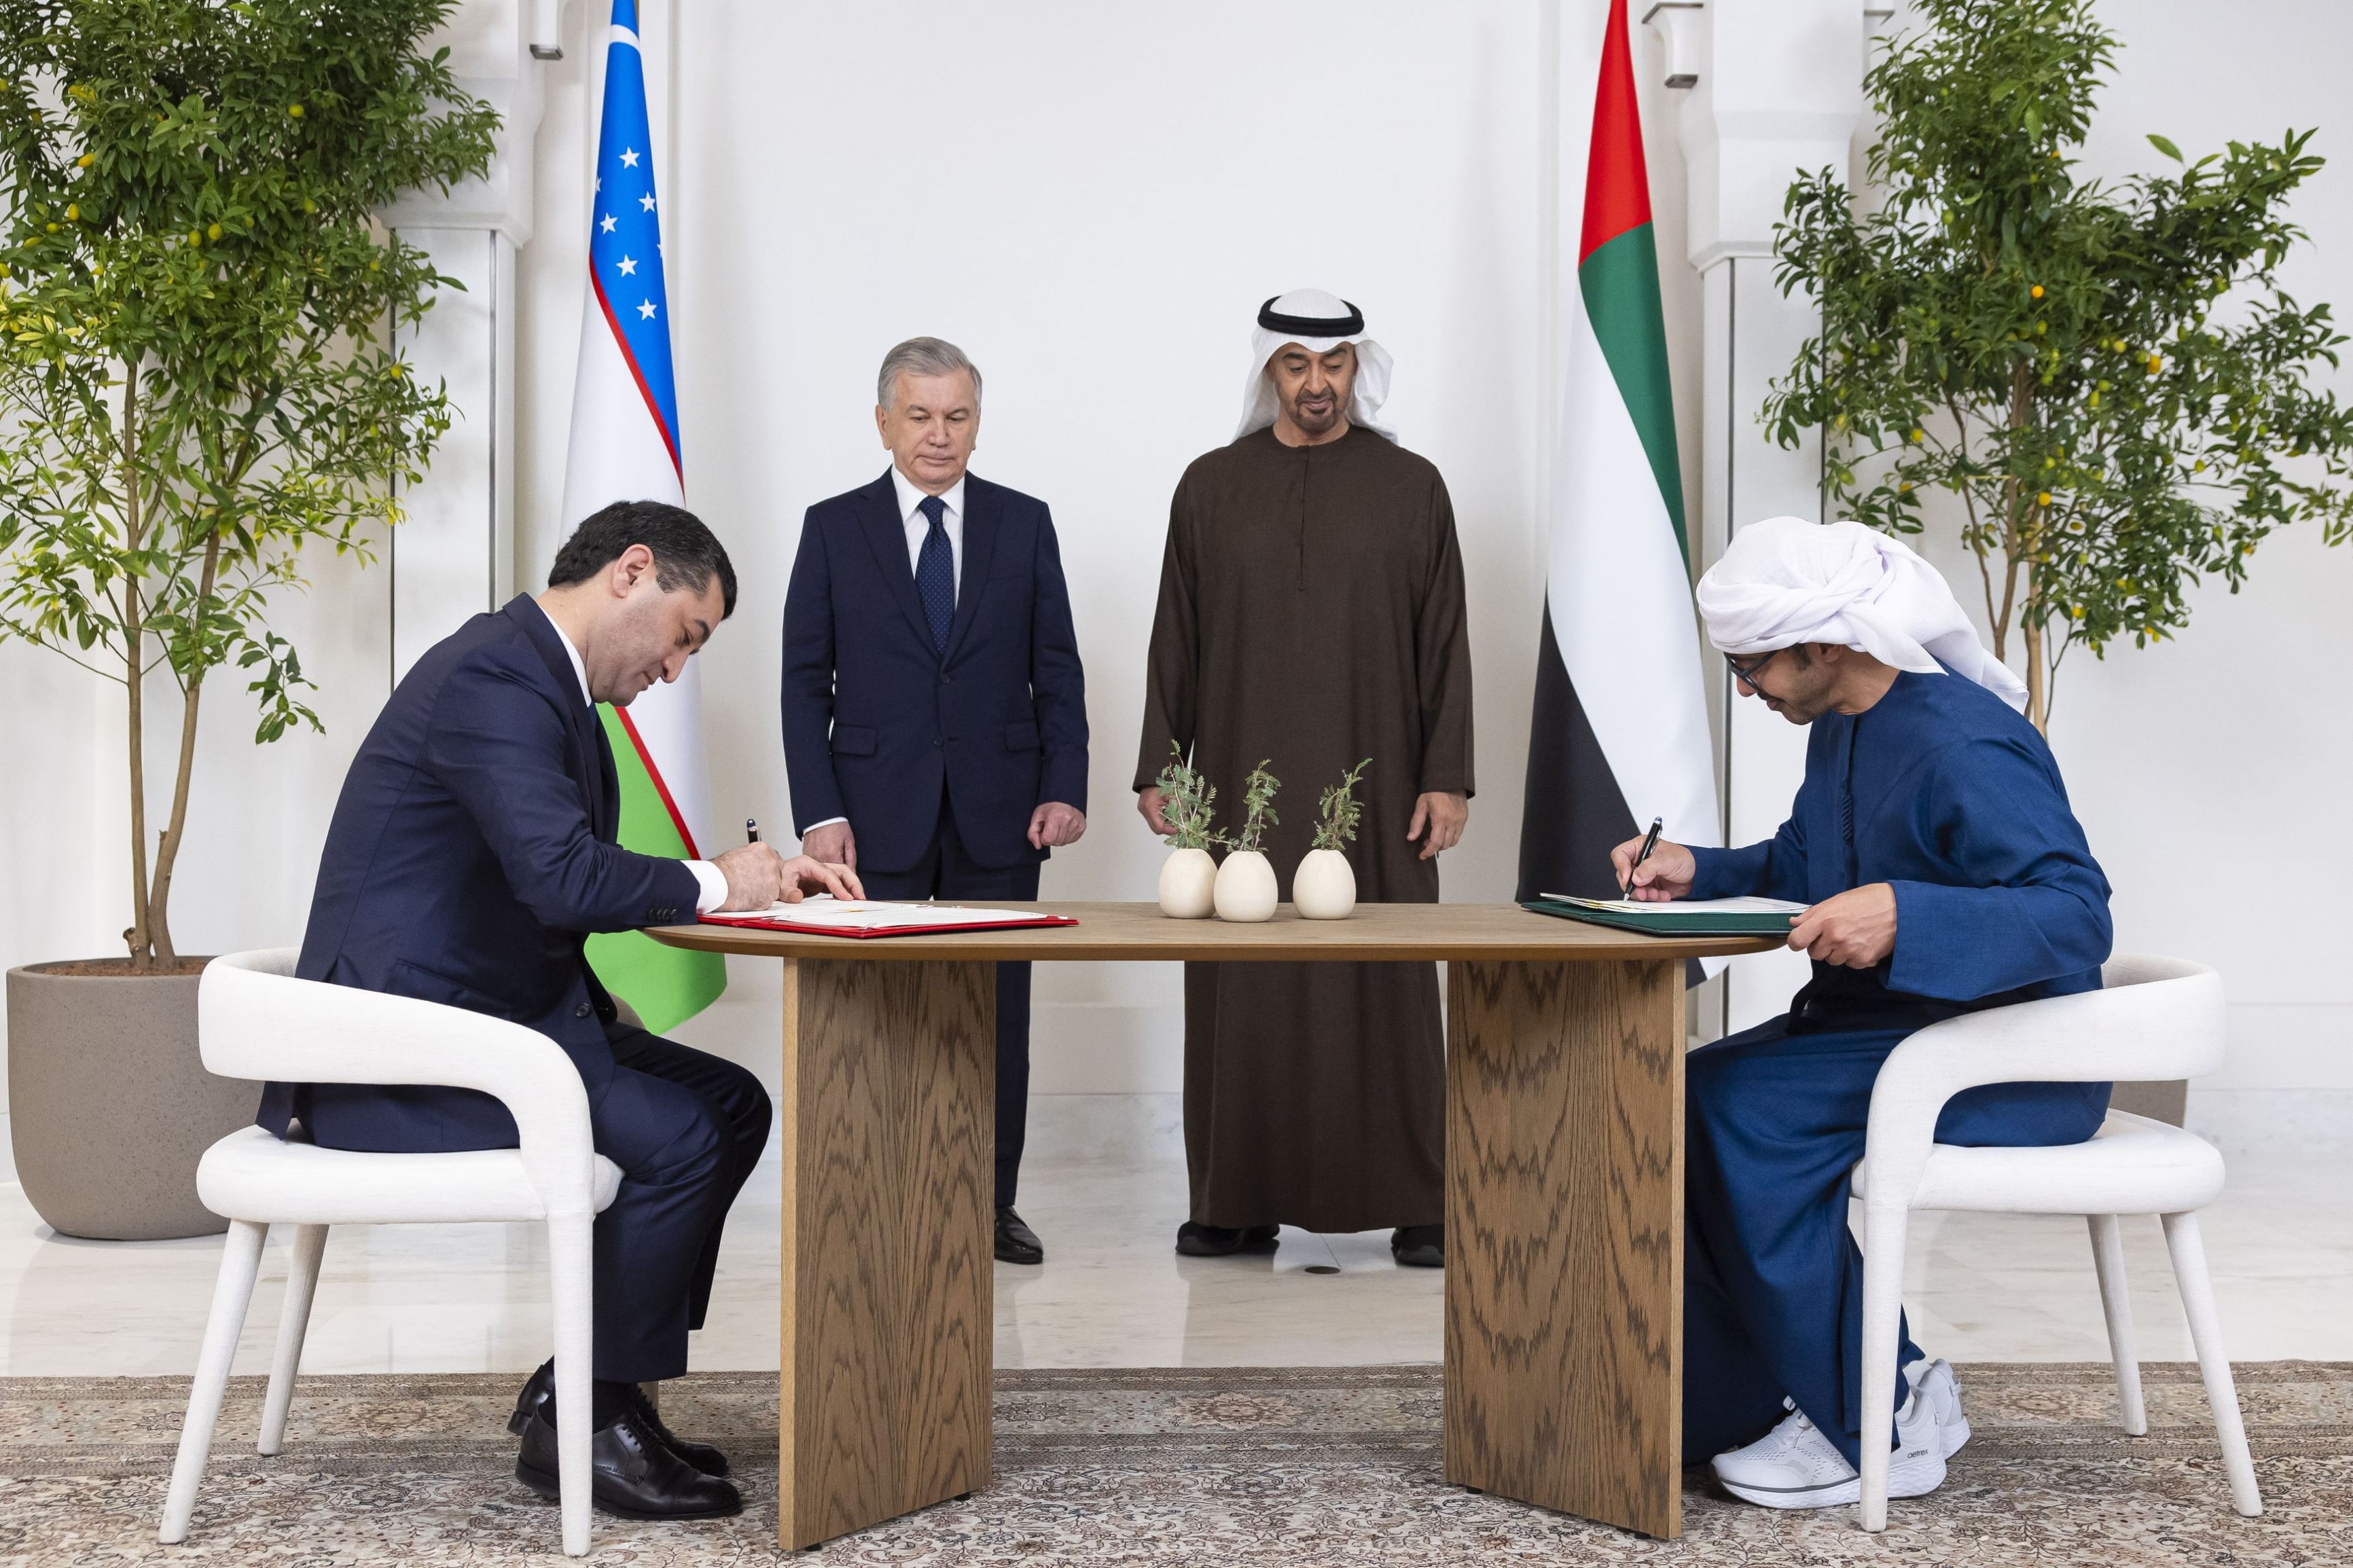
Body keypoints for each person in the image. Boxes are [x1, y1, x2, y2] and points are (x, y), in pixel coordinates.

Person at [264, 500, 861, 1521]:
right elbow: (559, 875)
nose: (675, 671)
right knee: (677, 1138)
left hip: (491, 1029)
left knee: (734, 1105)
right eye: (686, 636)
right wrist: (720, 879)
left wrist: (624, 983)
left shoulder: (549, 694)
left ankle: (593, 1383)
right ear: (633, 569)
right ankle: (584, 1424)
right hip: (402, 1065)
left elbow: (521, 895)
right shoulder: (496, 674)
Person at [1611, 515, 2113, 1509]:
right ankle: (1849, 1383)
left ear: (1829, 642)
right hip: (1898, 1029)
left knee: (1740, 1108)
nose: (1747, 687)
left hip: (2006, 1056)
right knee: (1687, 1089)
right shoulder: (1842, 726)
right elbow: (1807, 862)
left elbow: (2076, 911)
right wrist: (1696, 870)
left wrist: (1906, 914)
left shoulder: (1965, 741)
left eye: (1755, 665)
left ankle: (1870, 1426)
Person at [1135, 289, 1474, 1268]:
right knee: (1247, 981)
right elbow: (1177, 639)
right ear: (1268, 371)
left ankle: (1420, 1198)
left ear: (1357, 369)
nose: (1315, 383)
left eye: (1332, 365)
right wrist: (1164, 766)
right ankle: (1235, 1200)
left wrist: (1446, 775)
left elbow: (1444, 643)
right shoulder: (1208, 486)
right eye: (1295, 364)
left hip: (1383, 779)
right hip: (1241, 783)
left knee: (1392, 977)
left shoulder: (1414, 486)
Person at [781, 336, 1088, 1266]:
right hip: (871, 817)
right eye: (920, 415)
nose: (939, 434)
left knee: (999, 1015)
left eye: (957, 416)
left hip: (1002, 807)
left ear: (978, 422)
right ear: (884, 422)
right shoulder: (834, 528)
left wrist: (1064, 784)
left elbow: (1058, 670)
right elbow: (804, 684)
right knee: (876, 1014)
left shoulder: (1023, 524)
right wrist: (819, 808)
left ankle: (990, 1204)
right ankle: (872, 1195)